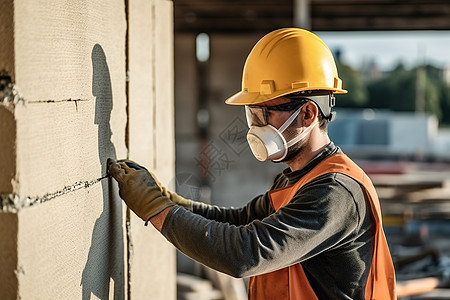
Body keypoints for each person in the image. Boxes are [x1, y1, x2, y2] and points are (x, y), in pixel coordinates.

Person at [108, 28, 397, 299]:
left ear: (308, 114)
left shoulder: (335, 193)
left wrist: (155, 209)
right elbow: (237, 221)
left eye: (264, 114)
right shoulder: (294, 180)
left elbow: (245, 254)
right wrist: (169, 200)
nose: (256, 128)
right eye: (252, 115)